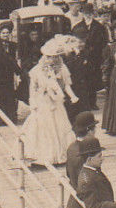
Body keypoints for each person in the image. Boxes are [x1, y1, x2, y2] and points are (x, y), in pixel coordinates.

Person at [20, 35, 78, 167]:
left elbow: (67, 84)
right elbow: (32, 88)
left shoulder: (62, 68)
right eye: (49, 56)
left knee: (60, 125)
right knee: (42, 126)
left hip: (56, 102)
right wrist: (32, 103)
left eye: (55, 57)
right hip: (42, 101)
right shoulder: (36, 71)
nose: (51, 59)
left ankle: (60, 155)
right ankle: (43, 156)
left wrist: (72, 96)